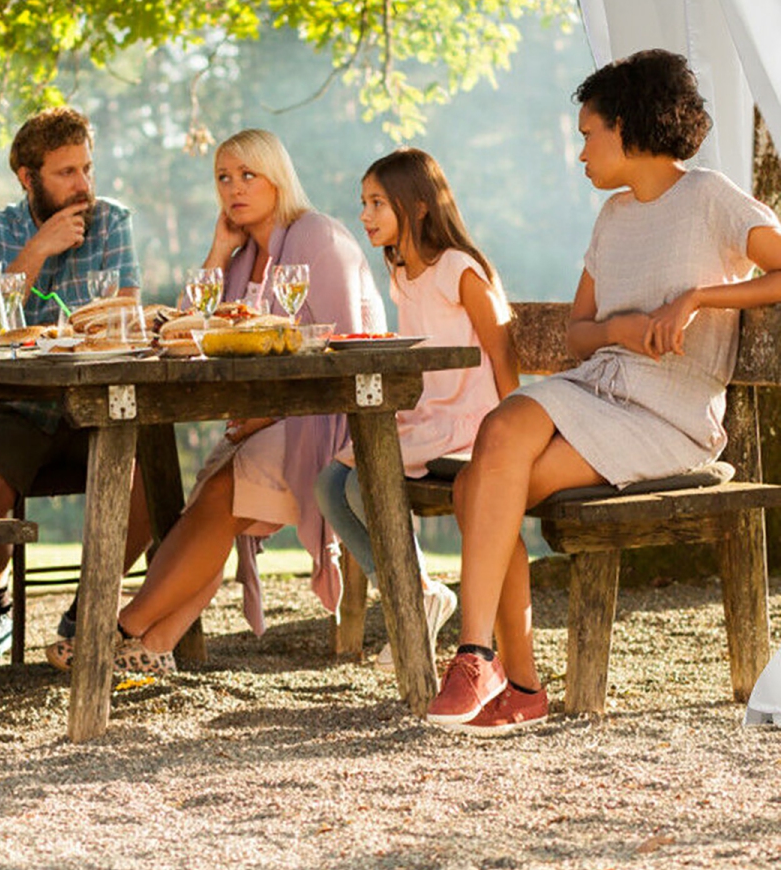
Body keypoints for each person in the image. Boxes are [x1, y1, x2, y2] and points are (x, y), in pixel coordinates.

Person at [429, 49, 781, 736]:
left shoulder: (710, 198)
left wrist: (697, 299)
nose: (582, 152)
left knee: (477, 487)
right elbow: (578, 333)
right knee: (500, 432)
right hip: (596, 389)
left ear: (628, 126)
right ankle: (480, 659)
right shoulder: (614, 216)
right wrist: (620, 328)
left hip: (670, 415)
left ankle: (514, 681)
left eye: (589, 134)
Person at [114, 129, 387, 674]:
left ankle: (116, 629)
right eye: (223, 177)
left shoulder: (317, 237)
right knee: (205, 504)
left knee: (221, 494)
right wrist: (219, 250)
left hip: (328, 421)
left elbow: (341, 348)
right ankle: (153, 646)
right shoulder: (242, 259)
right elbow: (186, 329)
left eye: (247, 175)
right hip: (263, 424)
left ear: (277, 178)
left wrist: (264, 415)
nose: (234, 188)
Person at [0, 107, 145, 669]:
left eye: (87, 168)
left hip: (99, 407)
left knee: (149, 489)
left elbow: (126, 318)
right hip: (18, 408)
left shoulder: (112, 223)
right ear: (27, 177)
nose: (83, 184)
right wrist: (38, 249)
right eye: (66, 172)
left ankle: (88, 607)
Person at [315, 148, 519, 670]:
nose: (365, 215)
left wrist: (512, 429)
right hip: (427, 419)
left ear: (419, 205)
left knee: (361, 482)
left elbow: (502, 351)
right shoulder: (403, 274)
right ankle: (417, 593)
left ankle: (413, 601)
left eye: (377, 203)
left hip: (470, 424)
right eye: (364, 202)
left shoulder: (459, 268)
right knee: (330, 484)